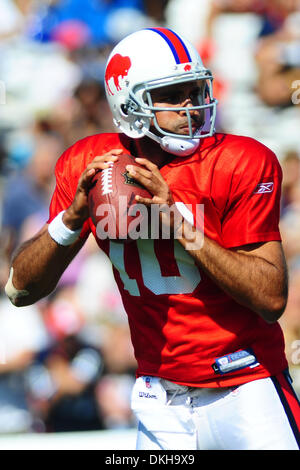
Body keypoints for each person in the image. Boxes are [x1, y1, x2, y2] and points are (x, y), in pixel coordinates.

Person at [5, 27, 300, 450]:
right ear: (128, 102)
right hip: (159, 398)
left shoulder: (238, 162)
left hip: (247, 387)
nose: (190, 106)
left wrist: (178, 224)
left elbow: (271, 299)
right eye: (172, 93)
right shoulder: (93, 164)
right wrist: (72, 218)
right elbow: (19, 289)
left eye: (194, 89)